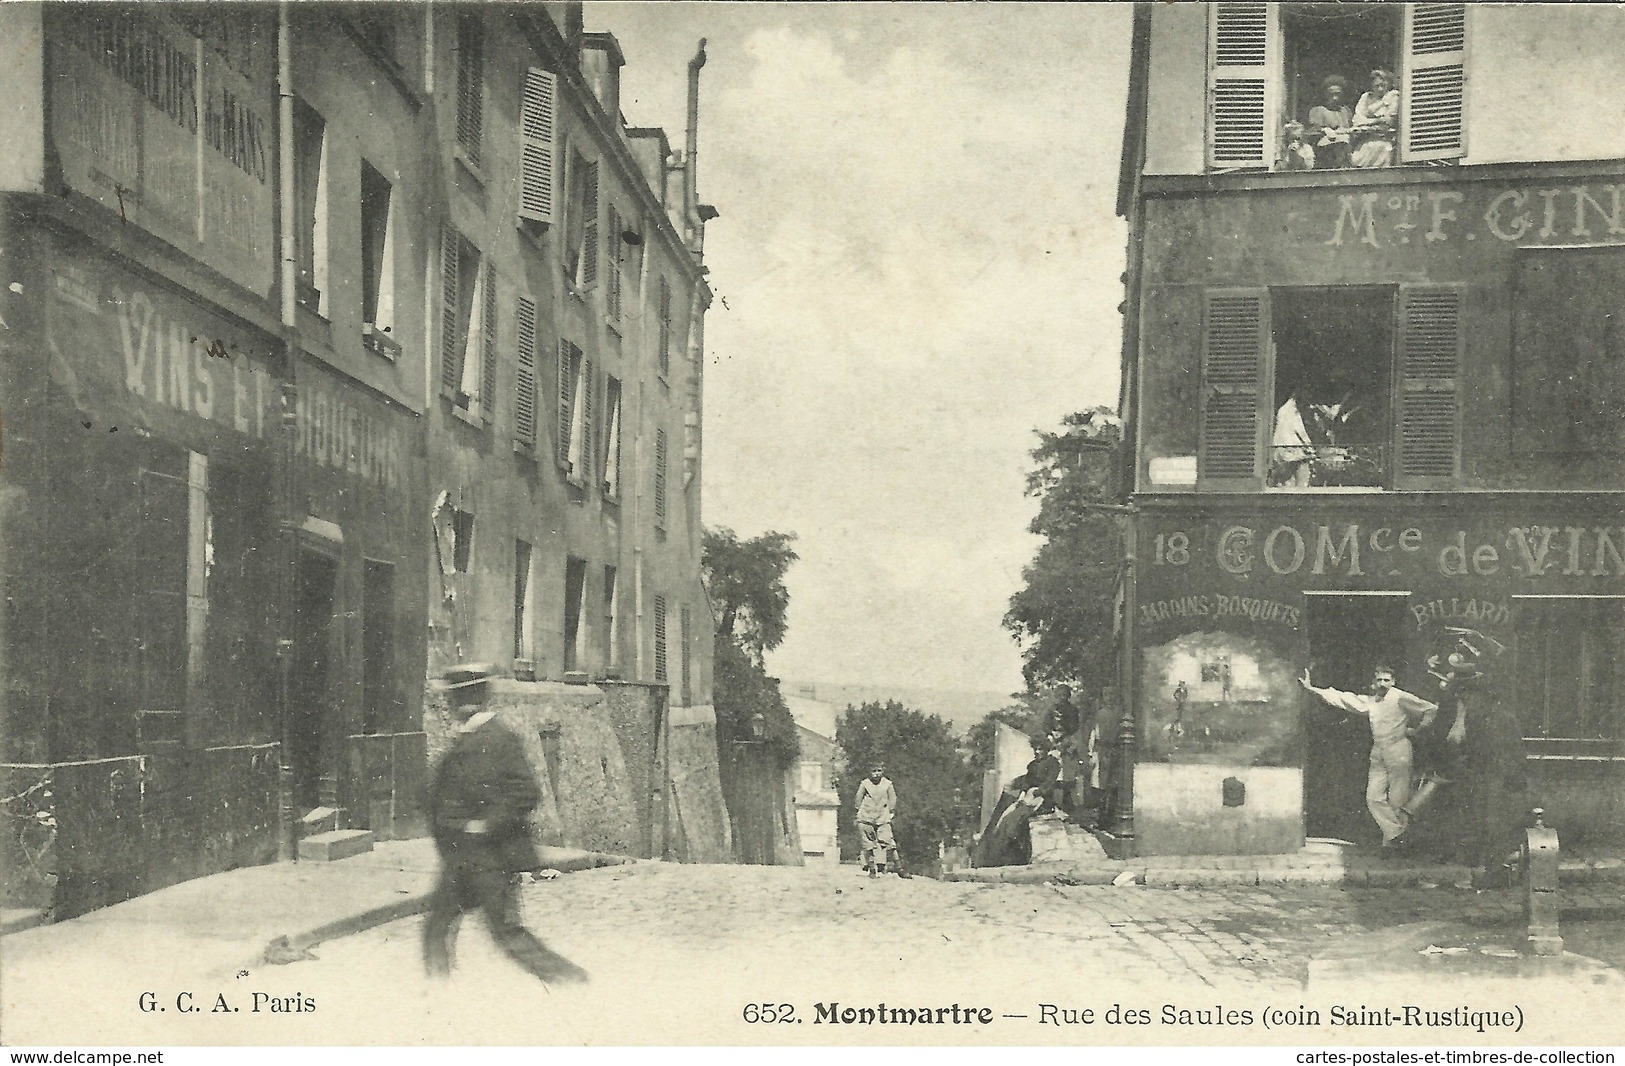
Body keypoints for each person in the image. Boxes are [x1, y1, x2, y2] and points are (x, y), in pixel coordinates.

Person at [423, 663, 588, 984]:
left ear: (471, 700)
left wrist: (484, 825)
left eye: (455, 699)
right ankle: (436, 996)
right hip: (461, 860)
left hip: (492, 860)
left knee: (509, 936)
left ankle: (574, 981)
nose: (450, 706)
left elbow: (525, 793)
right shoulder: (464, 738)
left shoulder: (501, 739)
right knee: (436, 926)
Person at [1300, 664, 1437, 855]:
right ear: (1374, 683)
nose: (1383, 684)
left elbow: (1430, 709)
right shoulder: (1371, 701)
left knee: (1398, 797)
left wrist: (1419, 730)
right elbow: (1345, 699)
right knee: (1373, 797)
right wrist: (1313, 689)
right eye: (1379, 680)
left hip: (1398, 749)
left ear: (1393, 681)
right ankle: (1398, 835)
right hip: (1378, 750)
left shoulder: (1400, 697)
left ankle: (1390, 846)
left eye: (1387, 680)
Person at [854, 763, 897, 877]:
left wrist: (891, 811)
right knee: (868, 844)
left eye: (879, 771)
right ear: (869, 772)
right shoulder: (865, 784)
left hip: (882, 816)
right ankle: (872, 868)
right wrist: (860, 811)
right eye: (874, 771)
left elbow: (892, 798)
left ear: (883, 771)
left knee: (888, 841)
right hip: (866, 817)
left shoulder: (887, 784)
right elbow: (858, 798)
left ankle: (898, 866)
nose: (876, 774)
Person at [1350, 69, 1400, 168]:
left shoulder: (1393, 98)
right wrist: (1377, 119)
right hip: (1365, 142)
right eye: (1377, 86)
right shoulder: (1365, 97)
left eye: (1383, 85)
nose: (1380, 89)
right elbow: (1357, 121)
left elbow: (1388, 122)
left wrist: (1367, 122)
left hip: (1384, 142)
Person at [1271, 385, 1318, 487]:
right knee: (1302, 477)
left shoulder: (1282, 409)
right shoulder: (1293, 411)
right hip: (1292, 449)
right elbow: (1300, 431)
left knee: (1287, 481)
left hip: (1279, 449)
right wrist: (1310, 446)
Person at [1308, 75, 1353, 169]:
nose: (1335, 98)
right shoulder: (1318, 110)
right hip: (1327, 149)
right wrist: (1325, 130)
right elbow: (1313, 131)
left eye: (1338, 94)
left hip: (1346, 149)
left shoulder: (1345, 111)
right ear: (1325, 94)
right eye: (1331, 95)